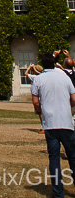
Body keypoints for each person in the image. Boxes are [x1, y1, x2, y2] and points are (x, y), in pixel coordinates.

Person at [31, 53, 75, 198]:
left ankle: (58, 193)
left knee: (54, 159)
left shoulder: (38, 79)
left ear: (42, 65)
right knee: (73, 157)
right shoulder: (64, 77)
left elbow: (36, 102)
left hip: (50, 124)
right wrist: (67, 108)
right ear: (55, 63)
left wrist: (39, 111)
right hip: (66, 123)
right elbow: (73, 98)